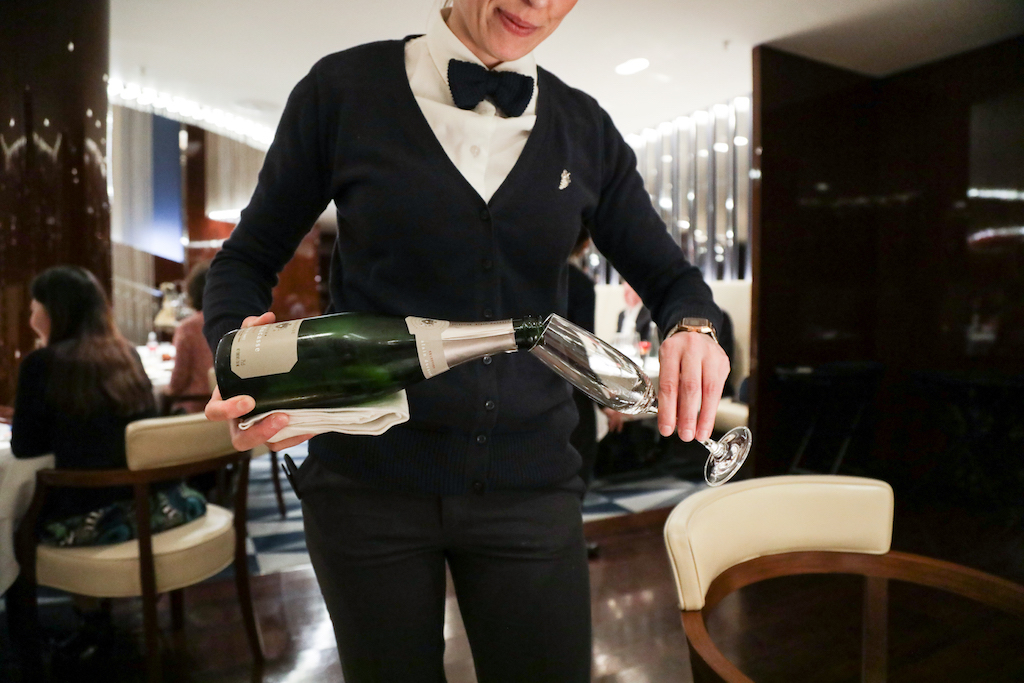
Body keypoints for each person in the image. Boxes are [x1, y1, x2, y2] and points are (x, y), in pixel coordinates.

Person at [202, 1, 730, 680]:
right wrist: (235, 354)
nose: (537, 2)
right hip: (367, 486)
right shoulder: (342, 91)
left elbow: (673, 278)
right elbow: (245, 260)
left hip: (531, 483)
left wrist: (693, 327)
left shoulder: (585, 128)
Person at [9, 266, 205, 665]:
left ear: (52, 311)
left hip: (92, 518)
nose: (30, 315)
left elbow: (25, 448)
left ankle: (48, 639)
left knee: (15, 526)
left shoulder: (41, 364)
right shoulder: (125, 354)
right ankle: (99, 617)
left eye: (34, 307)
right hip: (157, 503)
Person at [164, 260, 214, 414]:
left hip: (195, 409)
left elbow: (178, 382)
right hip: (233, 410)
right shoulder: (238, 321)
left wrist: (165, 392)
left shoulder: (188, 327)